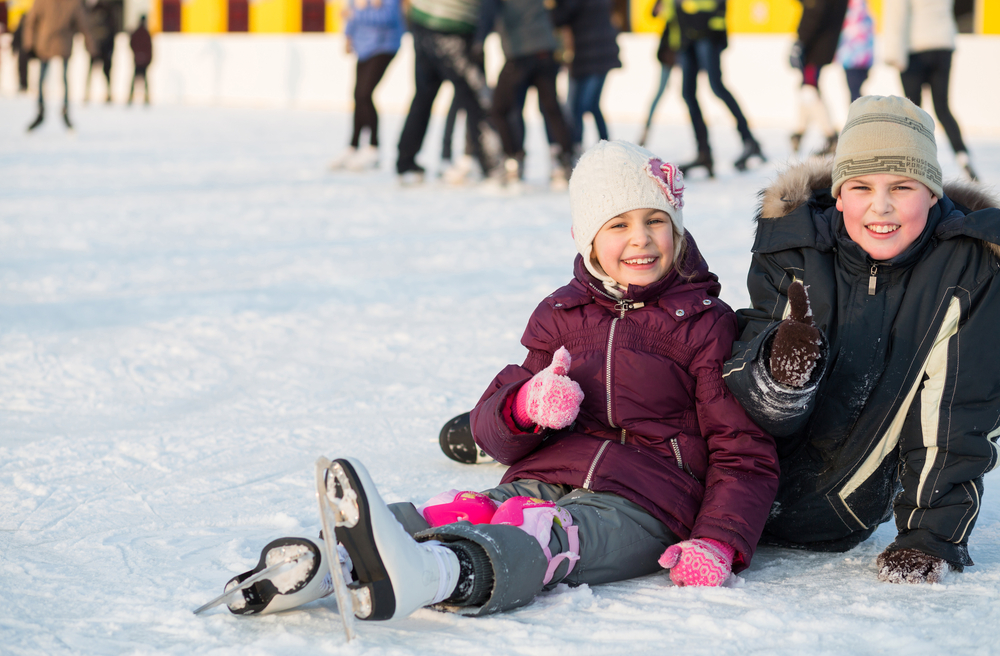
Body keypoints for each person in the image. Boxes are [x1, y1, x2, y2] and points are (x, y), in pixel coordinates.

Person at [215, 140, 780, 619]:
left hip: (646, 504)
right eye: (620, 224)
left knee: (549, 534)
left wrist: (719, 541)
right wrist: (526, 407)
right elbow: (493, 432)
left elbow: (742, 450)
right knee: (470, 507)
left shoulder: (706, 325)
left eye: (657, 220)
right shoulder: (560, 316)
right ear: (587, 237)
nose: (642, 238)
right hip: (546, 473)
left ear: (678, 230)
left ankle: (439, 574)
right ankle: (326, 561)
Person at [723, 95, 1000, 584]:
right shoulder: (794, 246)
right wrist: (778, 375)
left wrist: (929, 537)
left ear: (933, 193)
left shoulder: (967, 269)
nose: (881, 205)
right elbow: (739, 382)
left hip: (843, 513)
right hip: (739, 501)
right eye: (861, 186)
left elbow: (959, 410)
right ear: (838, 193)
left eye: (902, 186)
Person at [394, 0, 500, 185]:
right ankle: (491, 164)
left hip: (423, 20)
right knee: (475, 96)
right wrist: (481, 36)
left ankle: (406, 161)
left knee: (424, 94)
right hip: (453, 26)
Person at [476, 0, 575, 187]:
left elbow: (487, 13)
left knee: (500, 109)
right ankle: (565, 157)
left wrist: (479, 41)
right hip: (545, 49)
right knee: (550, 107)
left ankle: (513, 158)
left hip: (520, 53)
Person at [882, 0, 978, 181]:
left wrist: (893, 54)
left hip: (915, 47)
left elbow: (897, 14)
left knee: (912, 111)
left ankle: (914, 162)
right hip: (943, 45)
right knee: (942, 108)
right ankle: (963, 156)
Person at [673, 0, 764, 176]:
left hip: (706, 32)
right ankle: (703, 153)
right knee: (687, 93)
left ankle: (749, 140)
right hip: (685, 35)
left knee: (717, 87)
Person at [329, 0, 404, 171]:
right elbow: (350, 14)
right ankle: (353, 146)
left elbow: (389, 17)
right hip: (363, 47)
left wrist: (360, 11)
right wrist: (348, 36)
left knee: (365, 94)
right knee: (357, 95)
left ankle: (373, 147)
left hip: (384, 46)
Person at [551, 0, 621, 154]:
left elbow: (559, 17)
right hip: (601, 51)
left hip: (590, 53)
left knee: (580, 105)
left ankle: (577, 144)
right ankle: (607, 143)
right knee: (592, 104)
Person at [21, 0, 94, 131]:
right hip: (61, 45)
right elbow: (84, 25)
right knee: (62, 80)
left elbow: (30, 21)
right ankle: (64, 110)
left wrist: (29, 45)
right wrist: (92, 48)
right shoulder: (73, 3)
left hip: (45, 44)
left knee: (43, 80)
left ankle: (41, 110)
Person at [788, 0, 847, 156]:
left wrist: (801, 41)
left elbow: (815, 10)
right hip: (822, 42)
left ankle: (831, 137)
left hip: (816, 44)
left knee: (809, 88)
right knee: (807, 87)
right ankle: (799, 132)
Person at [638, 0, 679, 148]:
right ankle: (646, 129)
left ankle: (645, 130)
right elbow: (654, 13)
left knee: (687, 93)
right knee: (661, 91)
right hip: (672, 50)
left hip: (681, 49)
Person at [834, 0, 873, 103]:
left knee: (855, 94)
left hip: (852, 58)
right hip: (861, 58)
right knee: (856, 92)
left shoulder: (851, 11)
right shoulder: (866, 11)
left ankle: (858, 117)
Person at [83, 0, 115, 104]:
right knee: (105, 73)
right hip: (102, 48)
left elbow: (89, 31)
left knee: (95, 72)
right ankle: (106, 94)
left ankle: (88, 93)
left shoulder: (93, 11)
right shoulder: (108, 11)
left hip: (98, 48)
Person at [128, 14, 152, 105]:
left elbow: (132, 44)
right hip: (142, 61)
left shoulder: (138, 32)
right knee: (143, 82)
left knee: (136, 81)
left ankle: (131, 98)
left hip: (139, 61)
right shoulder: (145, 33)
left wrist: (137, 55)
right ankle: (145, 98)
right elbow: (149, 48)